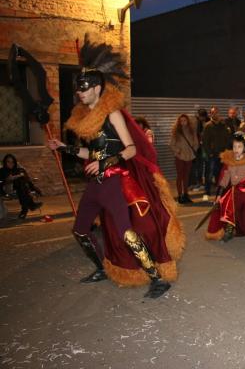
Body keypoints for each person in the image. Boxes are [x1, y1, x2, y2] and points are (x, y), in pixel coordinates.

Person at [47, 36, 185, 298]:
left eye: (84, 87)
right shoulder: (88, 118)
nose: (80, 92)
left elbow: (131, 148)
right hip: (95, 184)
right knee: (80, 229)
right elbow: (91, 152)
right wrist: (63, 147)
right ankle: (102, 267)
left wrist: (105, 161)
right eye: (78, 88)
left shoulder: (112, 113)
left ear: (97, 88)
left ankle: (157, 278)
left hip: (113, 181)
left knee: (125, 231)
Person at [0, 154, 43, 219]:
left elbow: (27, 179)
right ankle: (30, 205)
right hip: (7, 189)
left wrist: (20, 175)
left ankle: (25, 210)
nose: (10, 164)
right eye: (8, 162)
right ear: (5, 162)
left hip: (19, 189)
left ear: (15, 163)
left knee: (21, 182)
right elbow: (5, 180)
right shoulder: (2, 170)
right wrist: (18, 176)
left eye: (12, 162)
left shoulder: (18, 169)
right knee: (21, 181)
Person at [169, 114, 198, 204]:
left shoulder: (191, 131)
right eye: (181, 121)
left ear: (187, 121)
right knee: (180, 176)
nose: (183, 122)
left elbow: (196, 143)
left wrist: (193, 150)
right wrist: (178, 151)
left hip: (189, 157)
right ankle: (180, 196)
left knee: (186, 177)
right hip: (180, 157)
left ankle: (186, 195)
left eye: (184, 120)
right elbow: (171, 144)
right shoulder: (176, 132)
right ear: (179, 122)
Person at [202, 106, 231, 196]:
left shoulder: (223, 125)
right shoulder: (208, 126)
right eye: (213, 113)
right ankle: (207, 191)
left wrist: (227, 151)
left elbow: (227, 138)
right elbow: (205, 142)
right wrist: (209, 153)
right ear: (210, 114)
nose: (215, 114)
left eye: (217, 112)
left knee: (220, 174)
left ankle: (219, 191)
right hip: (212, 154)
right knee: (209, 174)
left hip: (222, 154)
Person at [189, 108, 209, 191]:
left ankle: (203, 183)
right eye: (200, 116)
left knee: (204, 166)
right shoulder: (196, 121)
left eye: (202, 117)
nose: (201, 118)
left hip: (205, 148)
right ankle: (198, 183)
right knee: (198, 166)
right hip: (197, 148)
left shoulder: (207, 122)